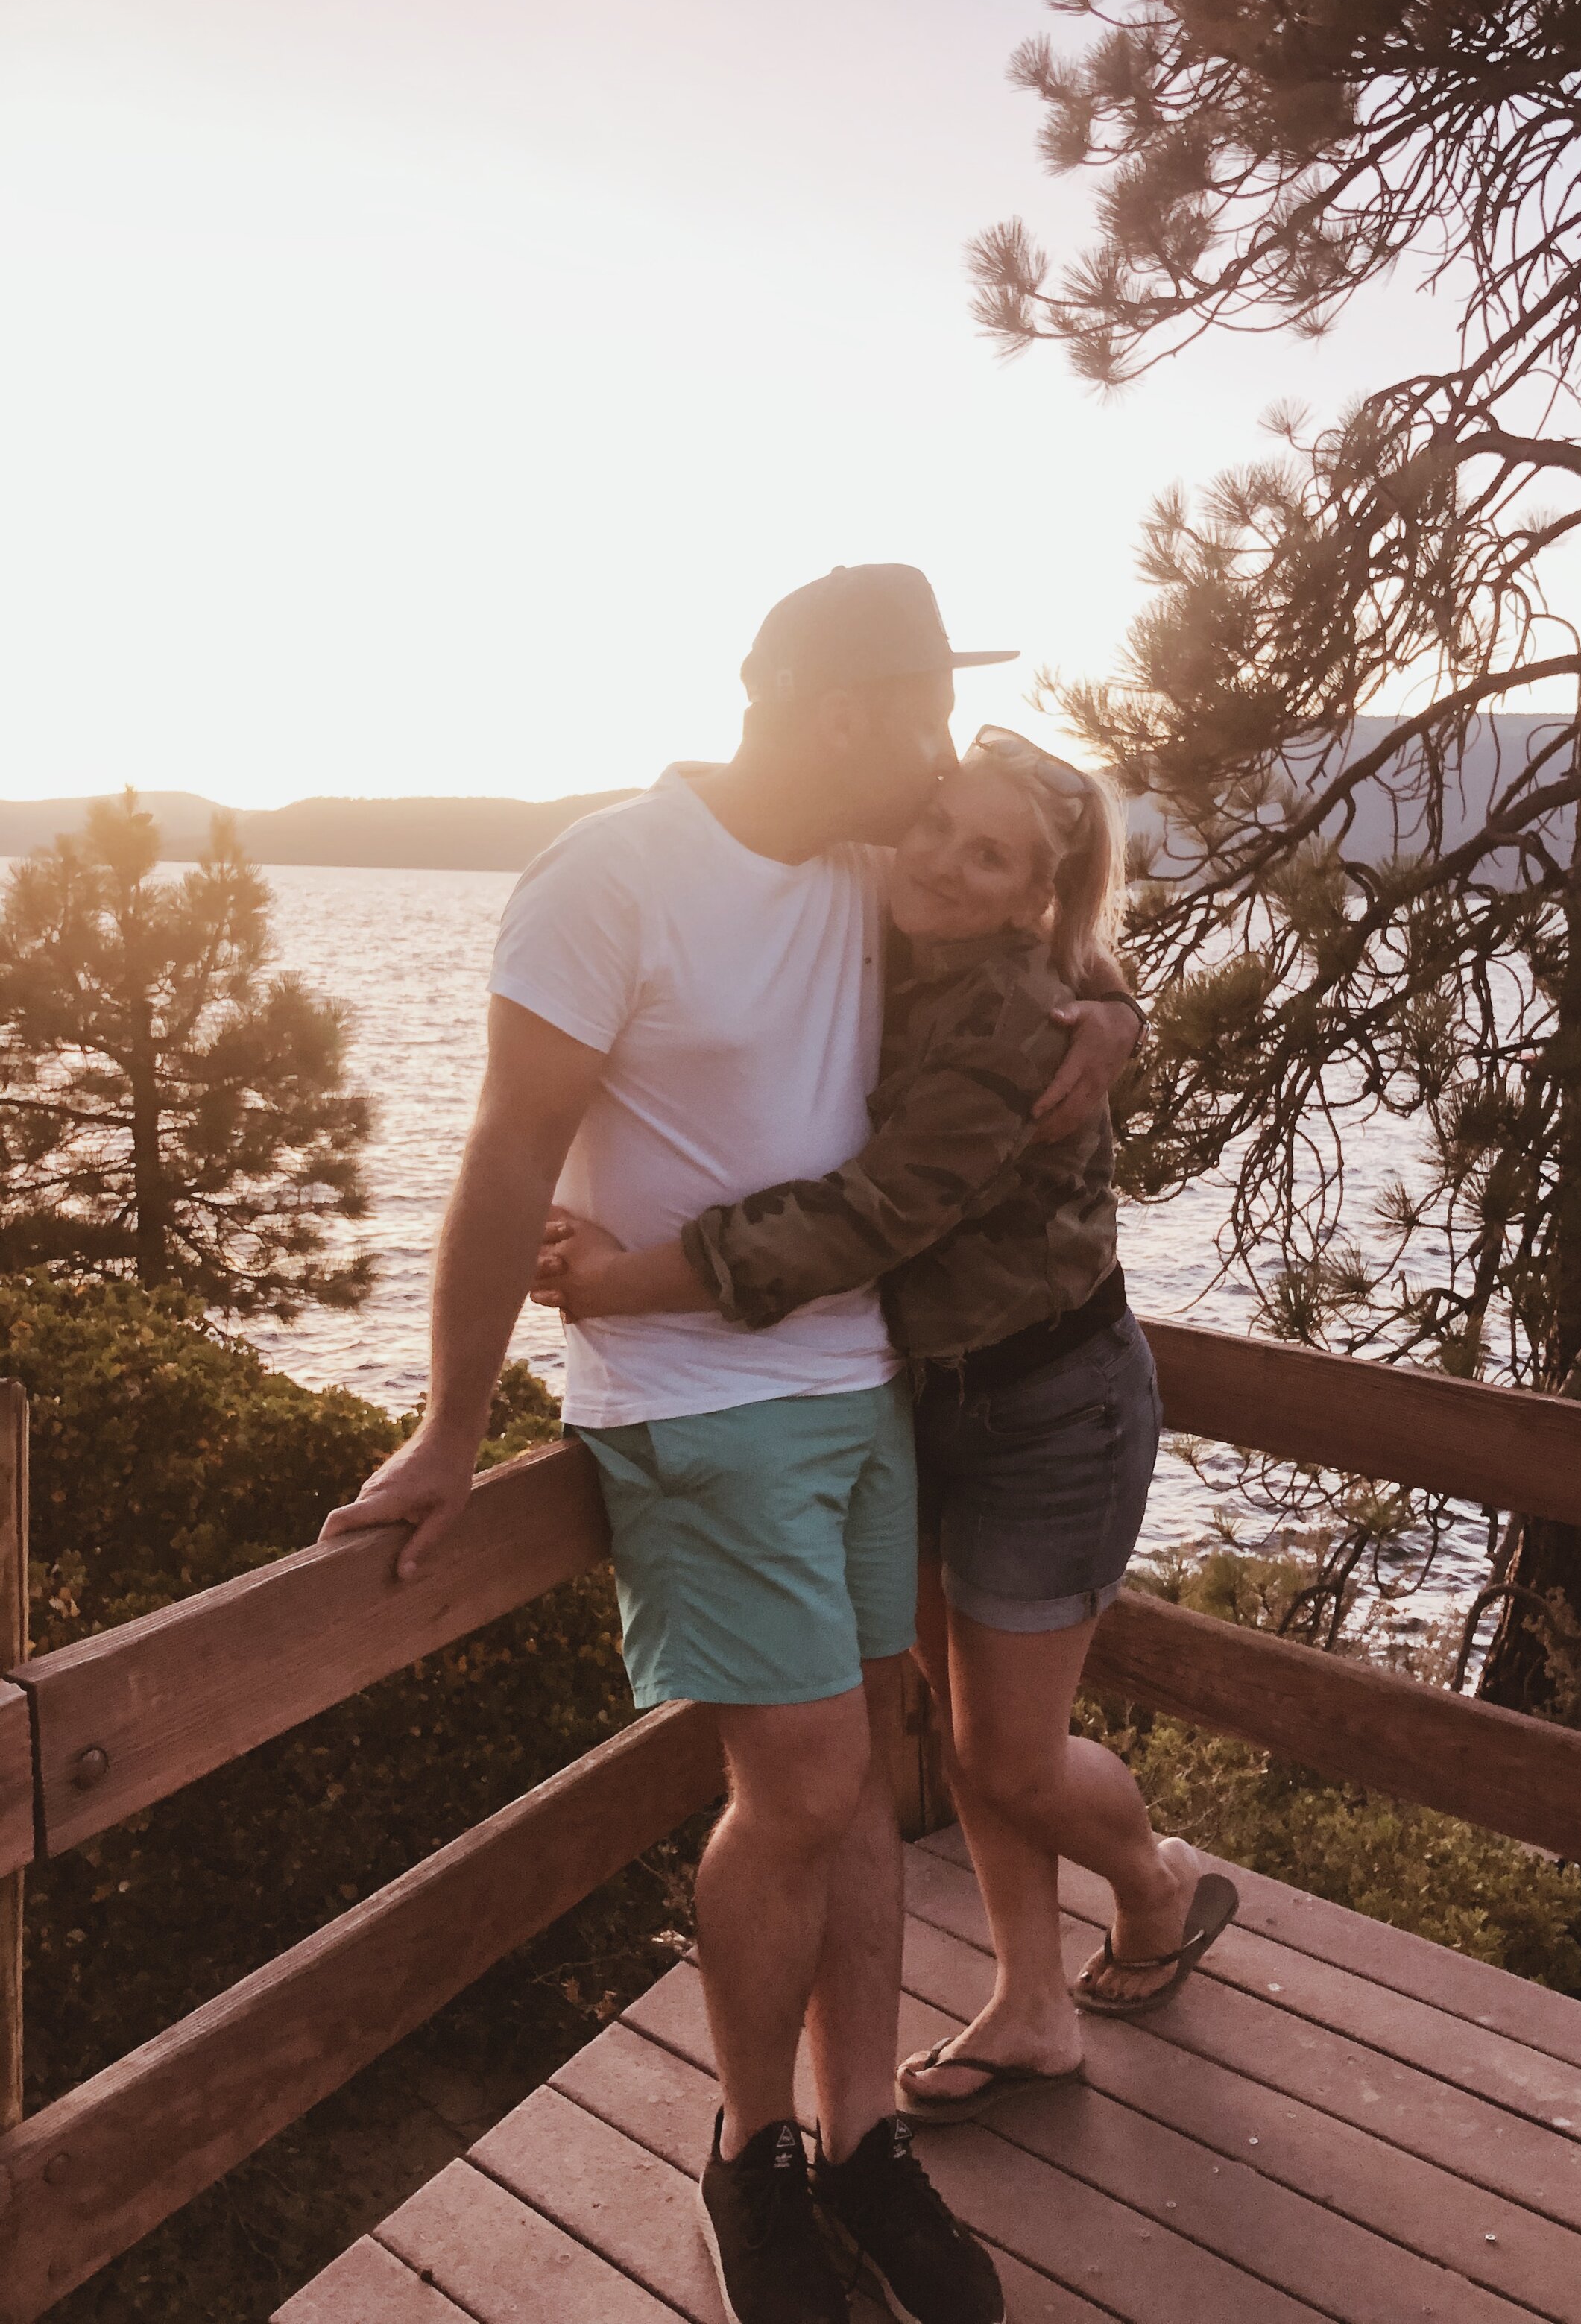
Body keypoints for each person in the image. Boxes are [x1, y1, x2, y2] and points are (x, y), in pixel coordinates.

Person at [317, 564, 1140, 2324]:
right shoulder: (607, 876)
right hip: (698, 1403)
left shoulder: (865, 864)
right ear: (844, 712)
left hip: (861, 1388)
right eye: (918, 719)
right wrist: (451, 1423)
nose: (932, 767)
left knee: (862, 1760)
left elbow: (1040, 927)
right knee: (801, 1788)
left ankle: (858, 2142)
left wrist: (1112, 1007)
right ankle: (748, 2147)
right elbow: (503, 1150)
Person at [529, 721, 1239, 2139]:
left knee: (1008, 1756)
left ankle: (1156, 1884)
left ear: (1033, 894)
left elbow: (865, 1218)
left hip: (1052, 1407)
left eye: (992, 856)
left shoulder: (1009, 1029)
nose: (944, 863)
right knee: (960, 1732)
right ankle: (1035, 2005)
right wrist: (1126, 1009)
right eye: (940, 827)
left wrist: (615, 1280)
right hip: (926, 1396)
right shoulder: (879, 906)